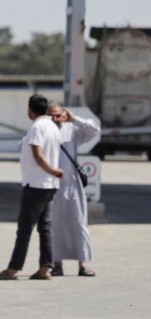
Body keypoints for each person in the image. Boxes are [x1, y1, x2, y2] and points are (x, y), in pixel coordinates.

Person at [0, 94, 63, 280]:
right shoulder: (53, 127)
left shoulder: (37, 127)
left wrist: (52, 170)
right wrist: (53, 174)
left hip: (37, 185)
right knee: (45, 227)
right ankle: (45, 268)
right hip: (49, 185)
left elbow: (38, 156)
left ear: (30, 110)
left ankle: (13, 269)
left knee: (24, 229)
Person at [49, 103, 99, 277]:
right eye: (52, 116)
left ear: (64, 115)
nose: (55, 119)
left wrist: (74, 119)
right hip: (52, 186)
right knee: (56, 225)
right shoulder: (43, 131)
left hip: (72, 184)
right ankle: (57, 264)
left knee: (79, 223)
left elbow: (93, 130)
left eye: (58, 115)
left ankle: (82, 265)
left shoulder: (71, 130)